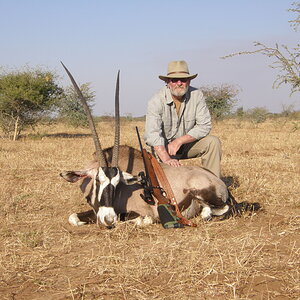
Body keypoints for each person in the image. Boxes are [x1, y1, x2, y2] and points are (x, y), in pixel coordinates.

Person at [144, 60, 222, 178]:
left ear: (189, 81)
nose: (179, 83)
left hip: (185, 145)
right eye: (174, 80)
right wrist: (167, 159)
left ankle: (214, 183)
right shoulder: (156, 101)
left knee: (213, 142)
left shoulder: (197, 95)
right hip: (162, 149)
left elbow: (204, 126)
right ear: (167, 82)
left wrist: (179, 141)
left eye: (183, 79)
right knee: (158, 179)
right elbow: (152, 134)